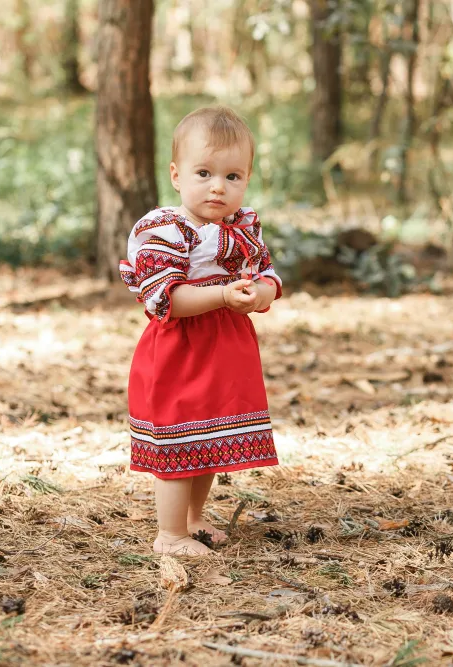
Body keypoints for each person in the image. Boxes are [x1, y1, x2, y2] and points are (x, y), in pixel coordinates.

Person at [119, 106, 282, 556]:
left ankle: (192, 519)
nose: (218, 186)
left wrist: (261, 293)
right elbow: (166, 300)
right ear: (176, 175)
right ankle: (169, 535)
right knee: (180, 437)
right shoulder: (165, 230)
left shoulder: (242, 228)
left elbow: (266, 273)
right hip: (181, 348)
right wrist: (224, 296)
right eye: (204, 172)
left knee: (208, 438)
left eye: (233, 176)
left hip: (226, 348)